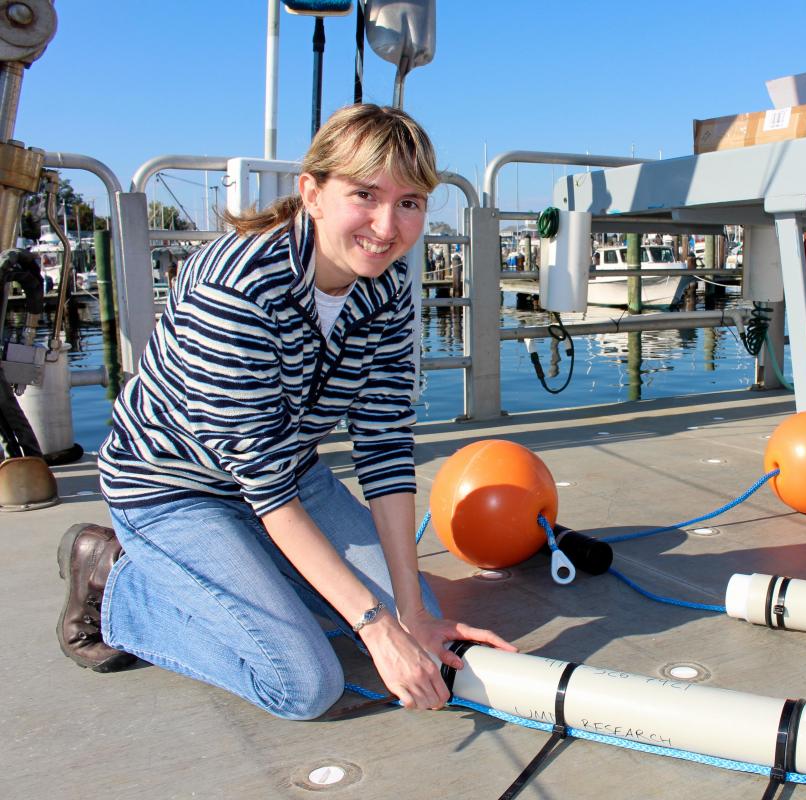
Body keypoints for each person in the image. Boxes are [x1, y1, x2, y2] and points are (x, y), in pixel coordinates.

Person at [56, 104, 515, 719]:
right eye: (365, 195)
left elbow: (382, 446)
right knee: (302, 683)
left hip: (289, 474)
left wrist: (411, 613)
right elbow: (266, 487)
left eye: (409, 202)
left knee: (400, 610)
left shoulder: (386, 288)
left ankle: (262, 577)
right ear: (312, 192)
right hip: (174, 490)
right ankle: (117, 581)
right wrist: (377, 627)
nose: (387, 226)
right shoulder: (237, 289)